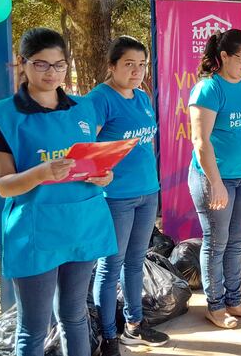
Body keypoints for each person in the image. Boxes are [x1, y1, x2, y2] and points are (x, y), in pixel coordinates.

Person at [0, 28, 117, 356]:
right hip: (35, 229)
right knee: (34, 328)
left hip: (82, 223)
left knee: (74, 315)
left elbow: (90, 162)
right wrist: (41, 173)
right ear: (22, 63)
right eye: (41, 64)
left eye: (59, 65)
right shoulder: (4, 117)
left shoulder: (82, 109)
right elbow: (4, 185)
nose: (51, 73)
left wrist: (103, 176)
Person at [89, 36, 168, 356]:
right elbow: (87, 149)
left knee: (136, 262)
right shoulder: (99, 99)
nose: (136, 71)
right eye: (129, 64)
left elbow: (145, 143)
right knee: (111, 266)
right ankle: (109, 335)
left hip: (147, 192)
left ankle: (134, 326)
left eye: (142, 65)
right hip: (115, 197)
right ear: (112, 66)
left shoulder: (142, 97)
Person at [188, 29, 241, 329]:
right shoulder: (208, 89)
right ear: (223, 56)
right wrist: (216, 182)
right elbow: (201, 141)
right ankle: (215, 305)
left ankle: (234, 301)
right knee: (216, 242)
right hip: (214, 179)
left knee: (237, 243)